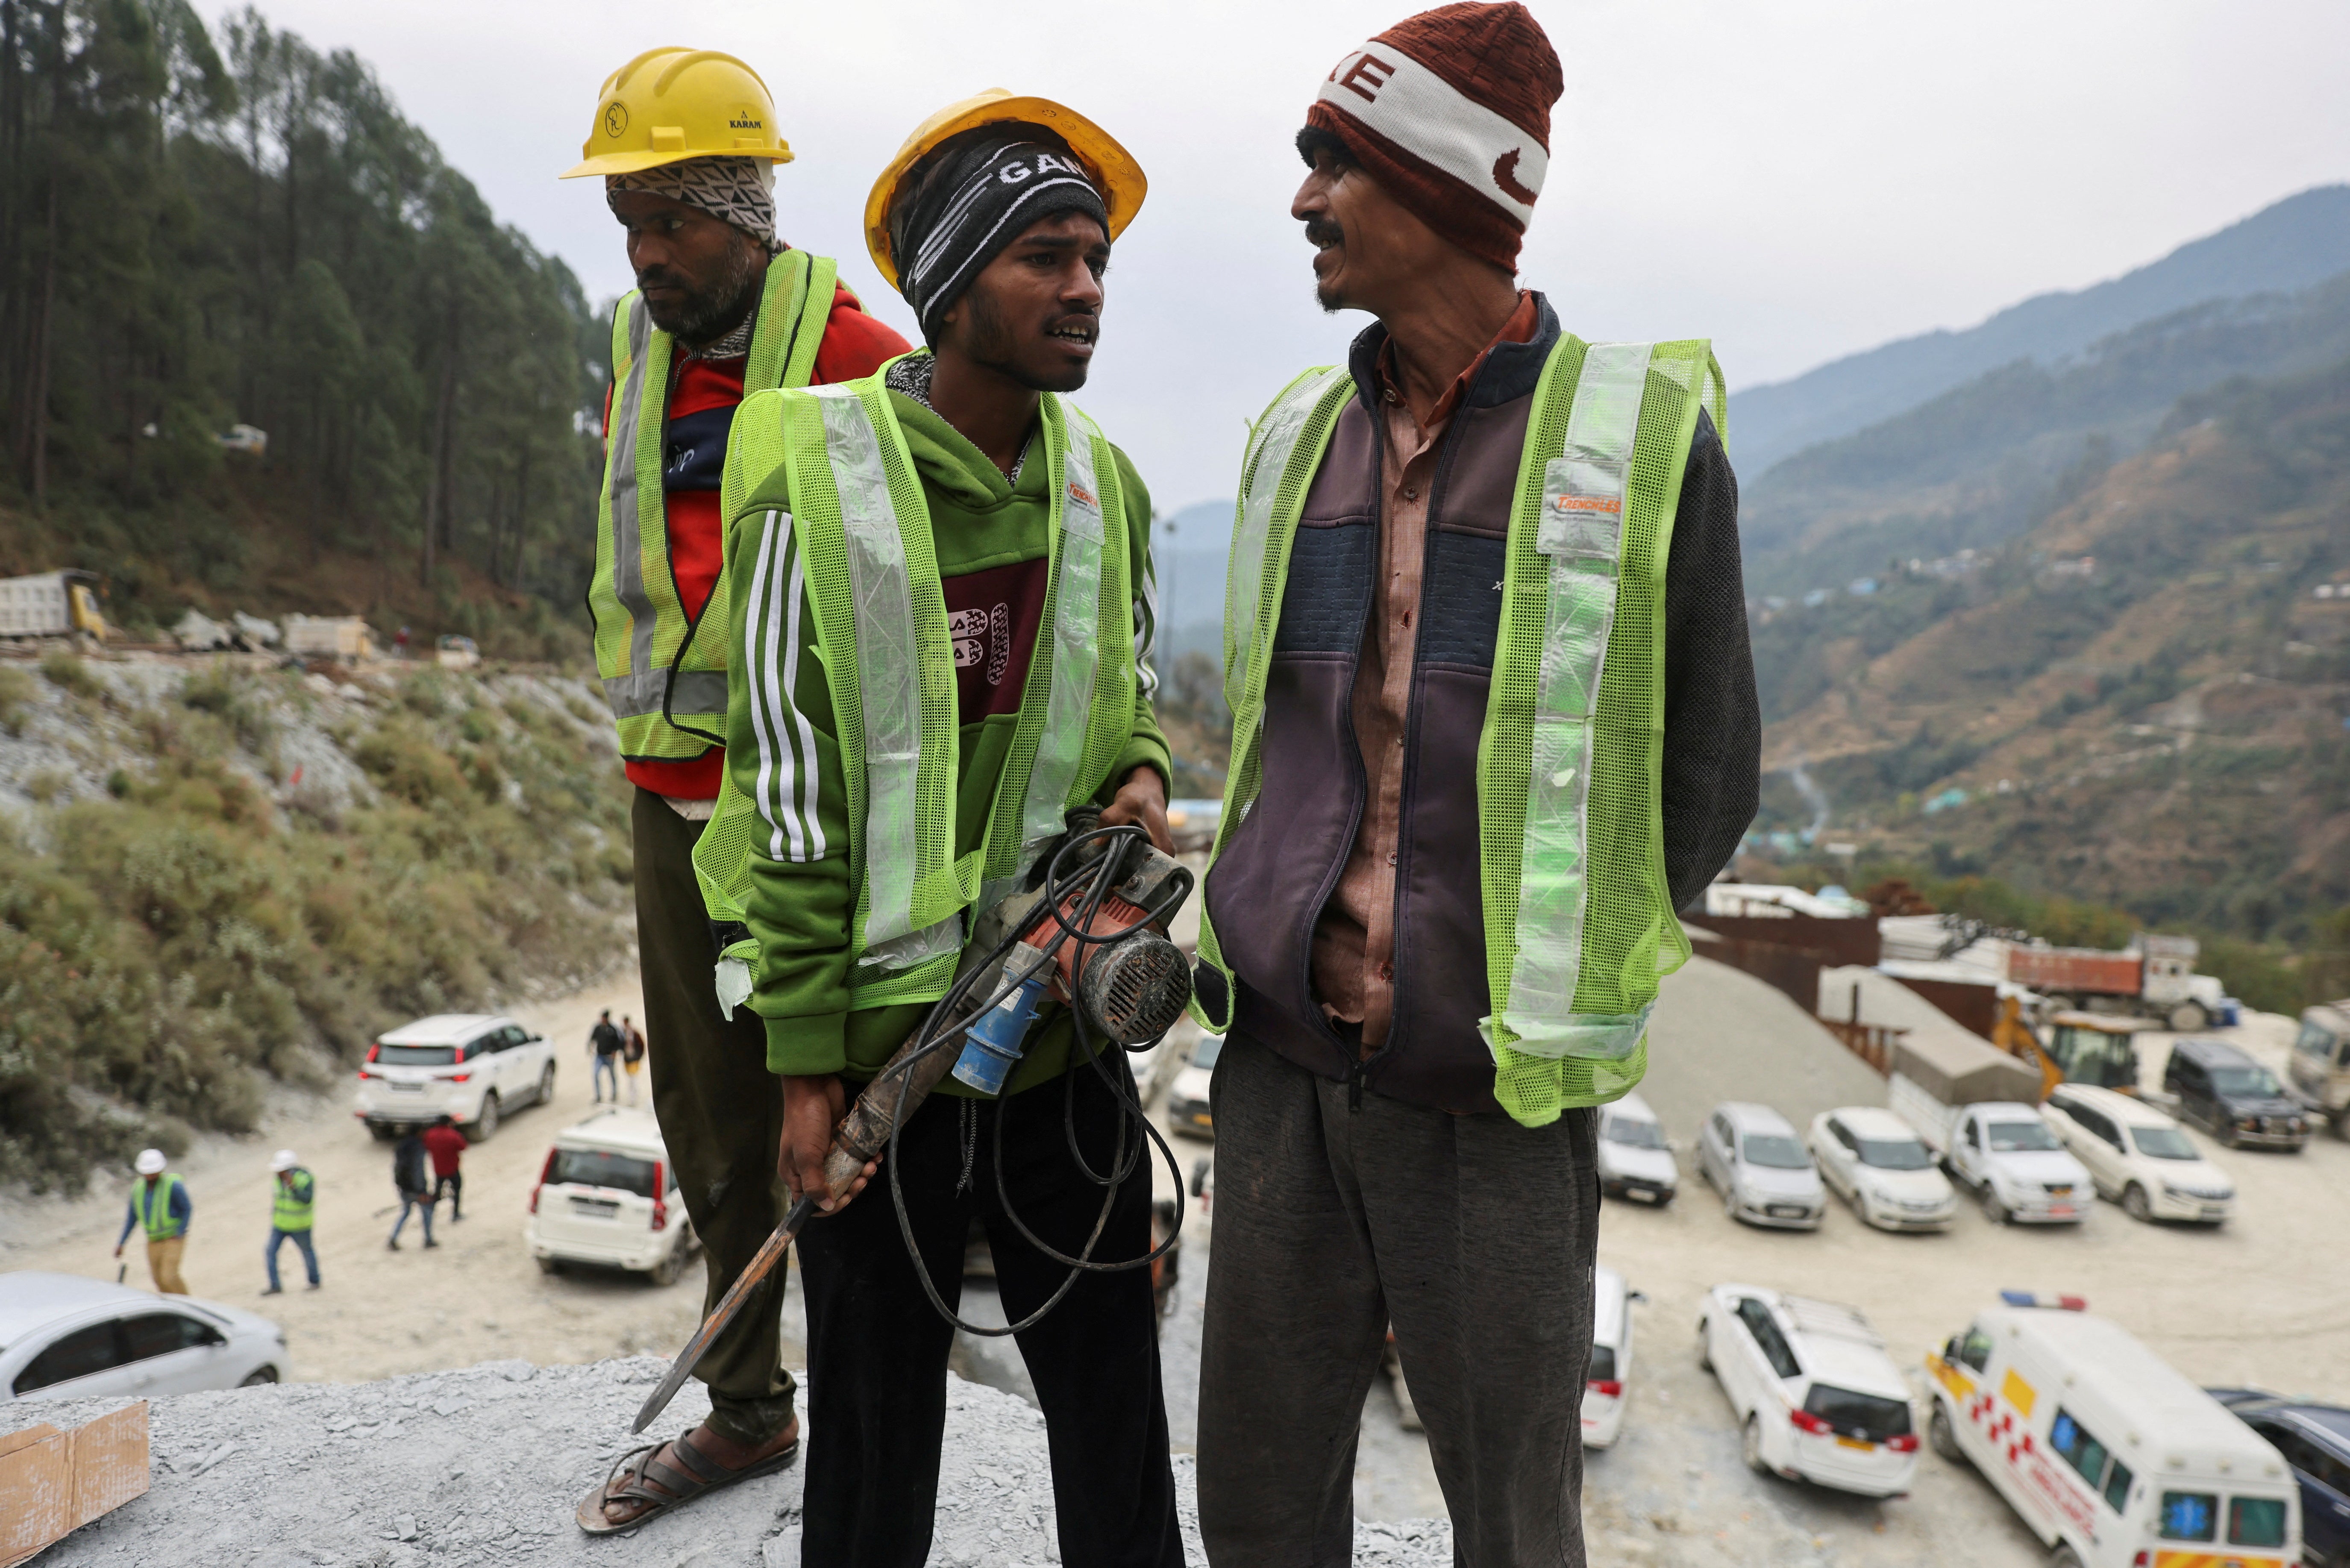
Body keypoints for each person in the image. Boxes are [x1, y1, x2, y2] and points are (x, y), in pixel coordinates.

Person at [1189, 8, 1760, 1566]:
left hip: (1494, 1098)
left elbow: (1707, 772)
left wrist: (1522, 964)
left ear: (1445, 191)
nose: (1303, 200)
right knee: (1252, 1503)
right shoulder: (1298, 437)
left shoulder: (1639, 441)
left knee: (1512, 1522)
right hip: (1288, 1070)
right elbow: (1272, 738)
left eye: (1336, 166)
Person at [582, 92, 1184, 1565]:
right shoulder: (828, 479)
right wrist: (801, 1076)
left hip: (1057, 1037)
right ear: (955, 279)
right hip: (873, 1071)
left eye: (1095, 258)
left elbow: (1133, 699)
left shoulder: (1102, 489)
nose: (1087, 288)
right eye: (1047, 256)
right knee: (872, 1432)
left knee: (1113, 1412)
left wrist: (1149, 781)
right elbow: (791, 800)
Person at [558, 46, 911, 1537]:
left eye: (669, 225)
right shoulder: (641, 346)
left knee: (837, 1121)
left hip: (804, 816)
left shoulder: (852, 352)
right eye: (627, 224)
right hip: (667, 798)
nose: (643, 256)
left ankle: (884, 1428)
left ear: (743, 211)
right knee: (708, 1129)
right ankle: (752, 1413)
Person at [114, 1148, 191, 1295]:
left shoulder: (173, 1186)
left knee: (169, 1277)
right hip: (153, 1241)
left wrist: (180, 1231)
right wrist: (122, 1242)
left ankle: (189, 1305)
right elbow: (132, 1218)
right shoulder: (137, 1190)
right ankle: (175, 1308)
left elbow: (187, 1208)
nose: (151, 1175)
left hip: (173, 1239)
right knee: (159, 1281)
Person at [261, 1148, 320, 1295]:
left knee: (307, 1252)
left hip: (300, 1226)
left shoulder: (305, 1179)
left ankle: (315, 1281)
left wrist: (293, 1187)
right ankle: (275, 1286)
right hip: (280, 1225)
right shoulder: (277, 1180)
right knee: (270, 1252)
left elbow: (307, 1200)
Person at [388, 1126, 437, 1251]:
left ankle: (393, 1238)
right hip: (416, 1188)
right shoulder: (418, 1148)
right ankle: (428, 1239)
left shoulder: (402, 1146)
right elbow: (417, 1171)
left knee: (406, 1212)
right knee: (427, 1211)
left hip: (404, 1187)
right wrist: (421, 1191)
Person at [422, 1114, 468, 1221]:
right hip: (453, 1168)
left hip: (439, 1169)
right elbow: (463, 1147)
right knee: (457, 1190)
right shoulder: (453, 1135)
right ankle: (456, 1214)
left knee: (437, 1192)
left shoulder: (430, 1134)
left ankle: (430, 1214)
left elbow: (426, 1146)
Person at [588, 1009, 623, 1104]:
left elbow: (619, 1042)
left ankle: (614, 1094)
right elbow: (592, 1039)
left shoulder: (612, 1029)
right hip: (600, 1056)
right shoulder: (598, 1028)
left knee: (612, 1076)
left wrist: (615, 1053)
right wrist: (590, 1048)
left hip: (609, 1057)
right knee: (595, 1074)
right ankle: (598, 1096)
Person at [620, 1014, 647, 1106]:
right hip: (628, 1059)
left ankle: (634, 1097)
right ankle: (633, 1096)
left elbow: (641, 1045)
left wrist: (639, 1057)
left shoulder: (634, 1034)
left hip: (634, 1059)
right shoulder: (623, 1033)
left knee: (633, 1079)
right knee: (630, 1079)